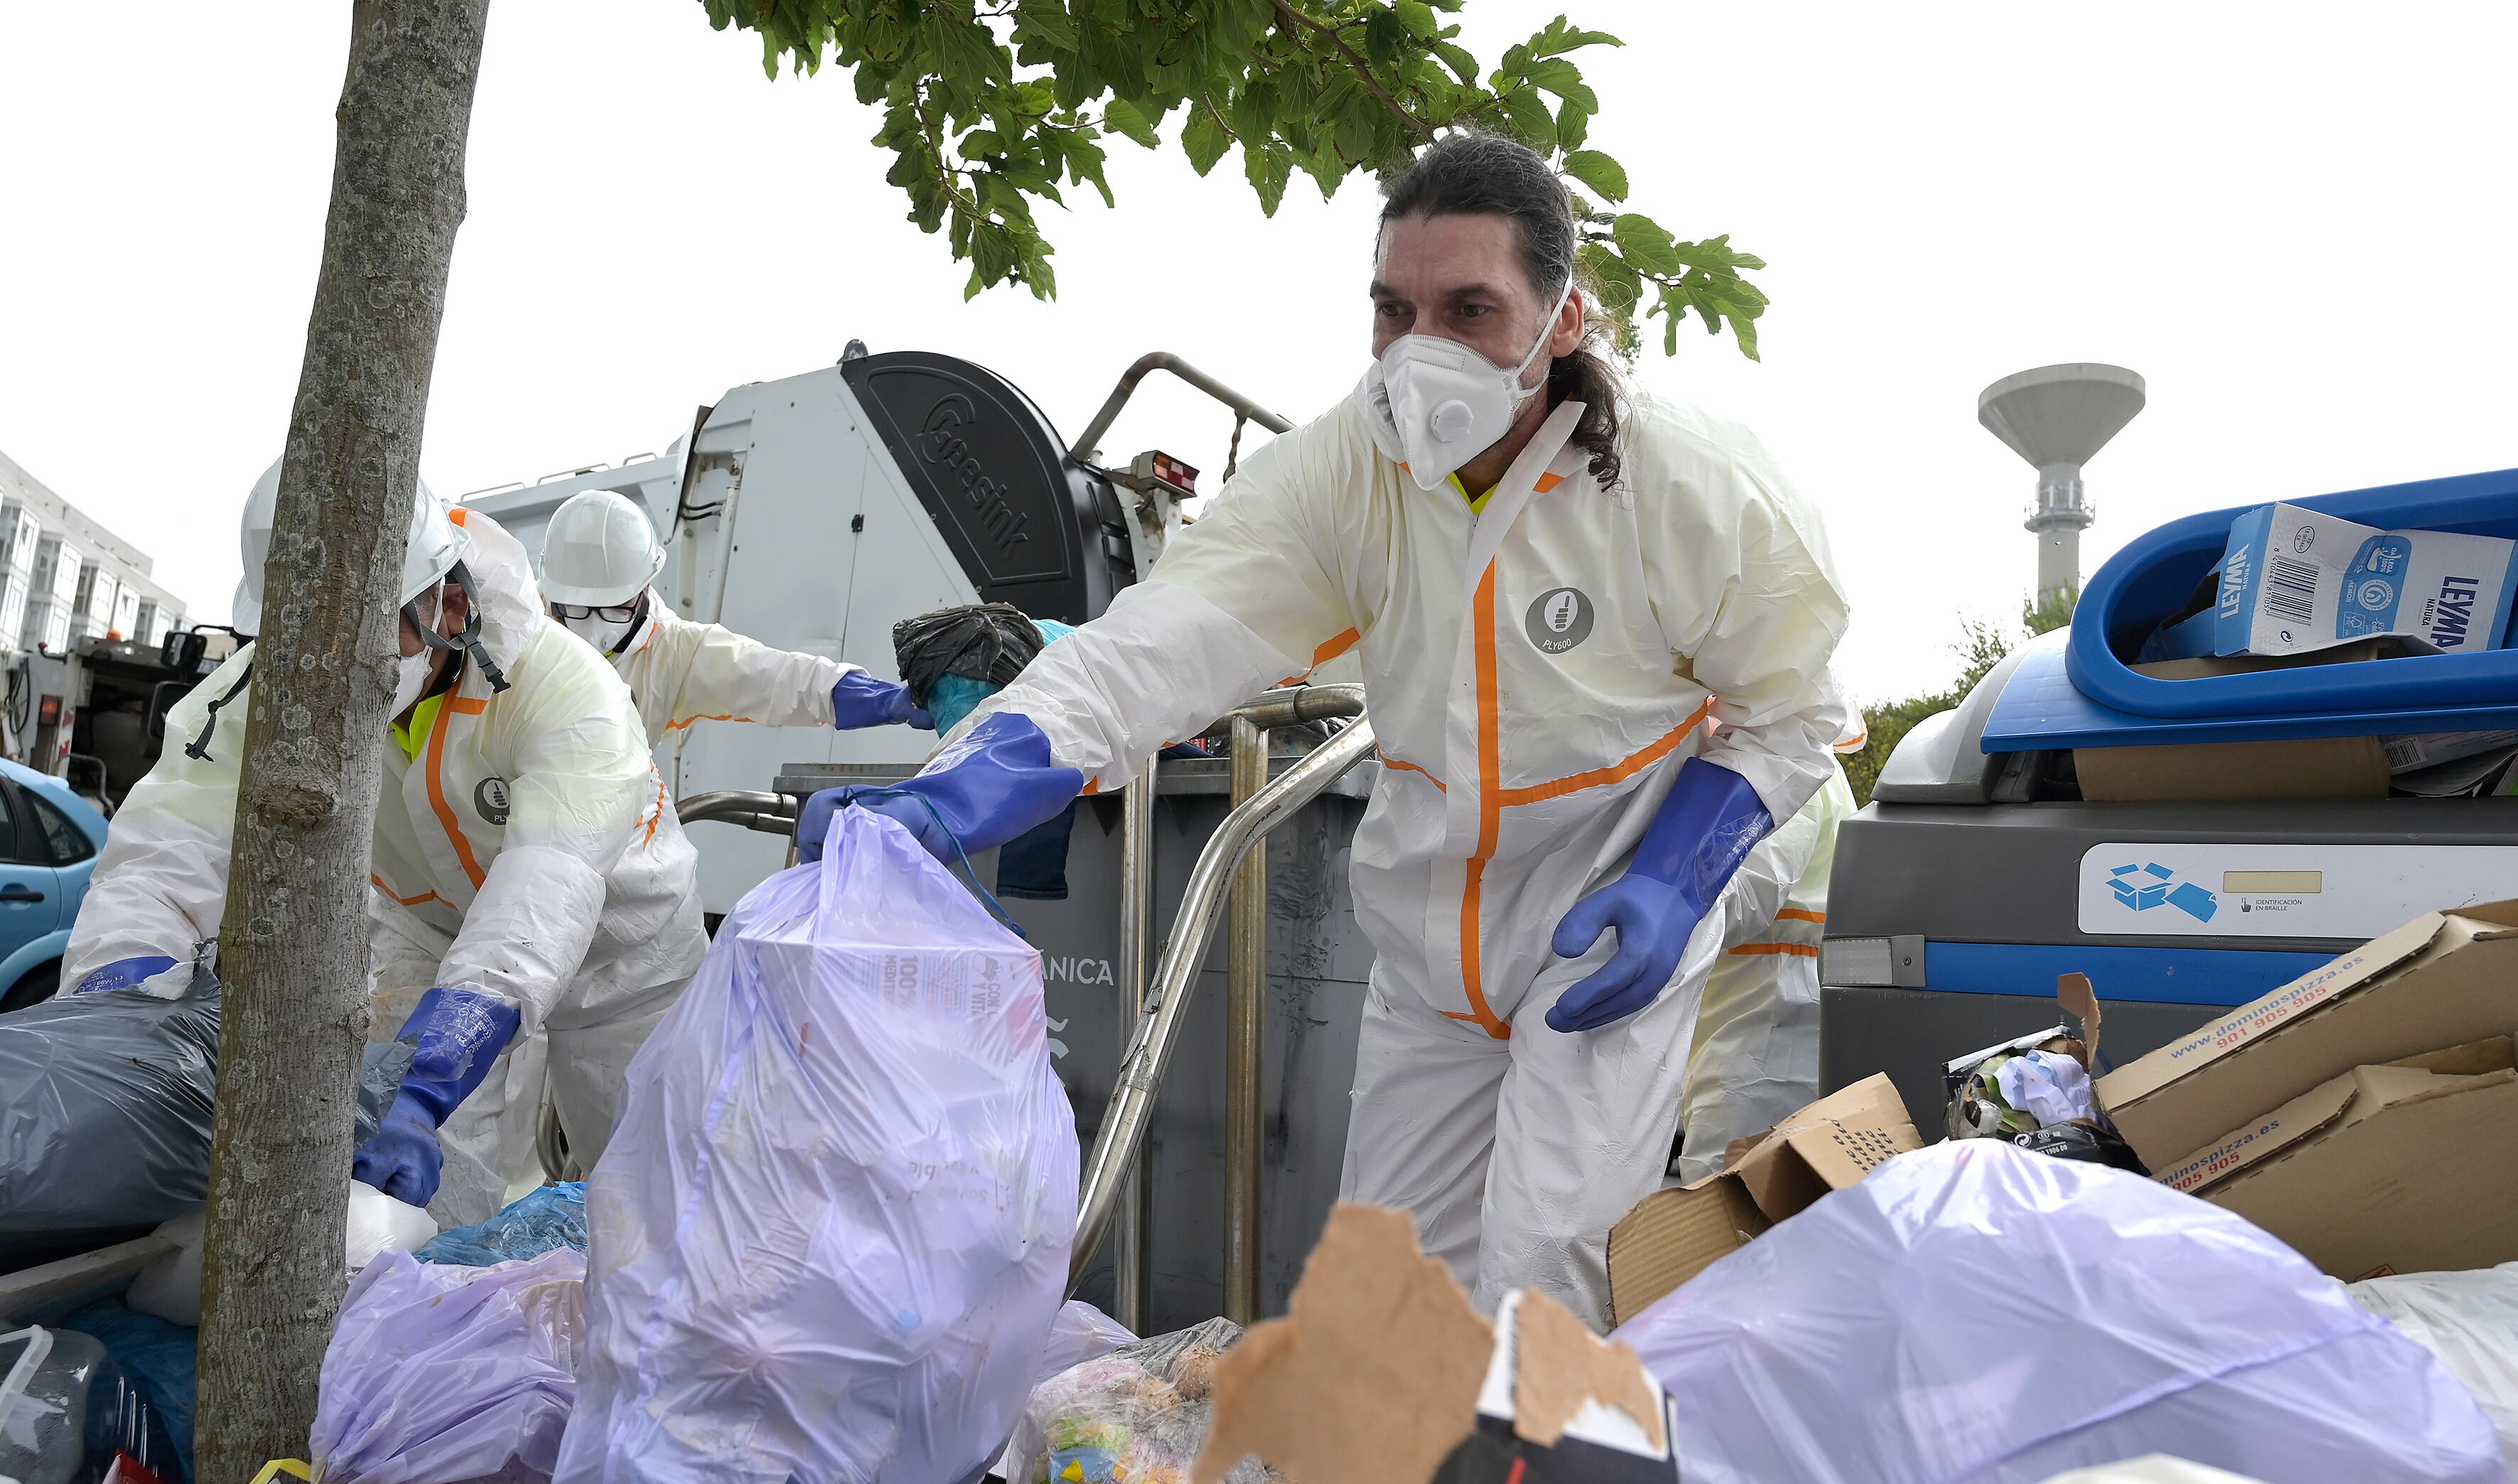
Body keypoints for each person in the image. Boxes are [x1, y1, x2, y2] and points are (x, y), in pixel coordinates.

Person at [795, 131, 1855, 1327]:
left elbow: (1792, 711)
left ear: (1563, 320)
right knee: (1381, 1298)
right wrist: (949, 791)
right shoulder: (1341, 477)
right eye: (1393, 311)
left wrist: (1676, 875)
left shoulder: (1686, 486)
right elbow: (1157, 646)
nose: (1421, 352)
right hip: (1423, 946)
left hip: (1594, 920)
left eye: (1469, 308)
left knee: (1545, 1278)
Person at [62, 459, 708, 1220]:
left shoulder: (566, 691)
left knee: (654, 1198)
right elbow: (163, 861)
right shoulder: (271, 692)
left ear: (450, 603)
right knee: (415, 1195)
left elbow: (545, 889)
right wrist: (116, 1012)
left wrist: (430, 1076)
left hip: (625, 965)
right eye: (306, 636)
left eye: (359, 636)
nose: (326, 668)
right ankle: (438, 1314)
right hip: (428, 932)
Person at [534, 488, 931, 744]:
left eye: (615, 607)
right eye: (576, 608)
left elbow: (774, 678)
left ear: (644, 588)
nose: (594, 628)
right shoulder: (517, 628)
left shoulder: (677, 655)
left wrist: (882, 700)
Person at [1674, 760, 1858, 1183]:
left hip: (1771, 1002)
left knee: (1729, 1183)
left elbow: (1753, 888)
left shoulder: (1795, 764)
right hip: (1765, 991)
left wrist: (1669, 904)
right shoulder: (1787, 761)